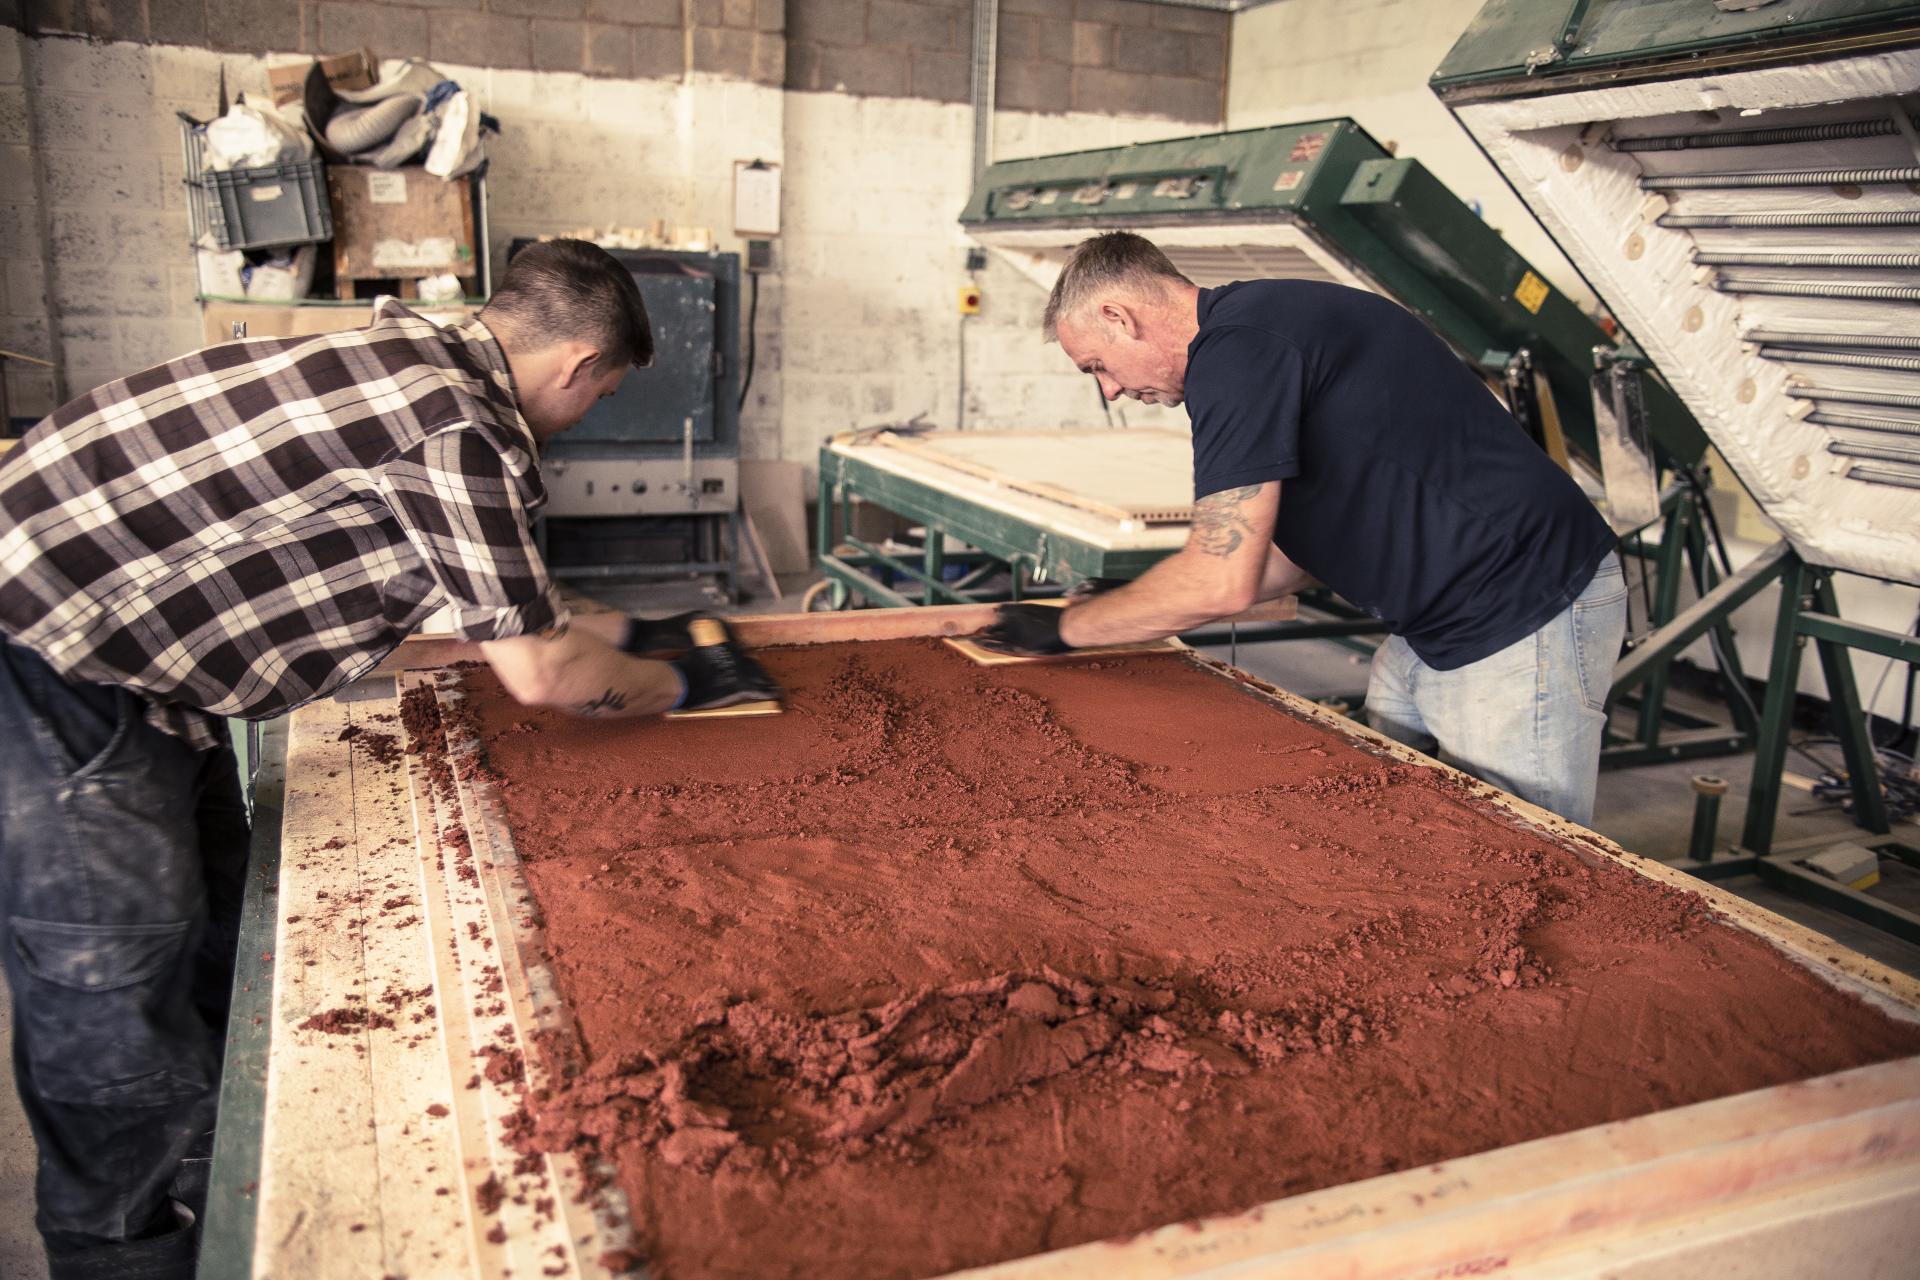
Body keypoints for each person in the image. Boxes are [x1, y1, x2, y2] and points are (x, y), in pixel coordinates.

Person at [0, 238, 777, 1280]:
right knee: (117, 987)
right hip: (46, 650)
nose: (585, 417)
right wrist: (687, 685)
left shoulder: (405, 356)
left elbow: (502, 591)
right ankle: (119, 1254)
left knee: (213, 926)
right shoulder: (457, 424)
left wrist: (645, 635)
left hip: (123, 648)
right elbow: (541, 673)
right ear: (581, 364)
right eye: (598, 395)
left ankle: (211, 1165)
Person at [981, 231, 1626, 826]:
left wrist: (1066, 628)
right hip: (1437, 619)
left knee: (1527, 849)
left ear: (1120, 317)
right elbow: (1287, 558)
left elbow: (1222, 581)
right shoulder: (1258, 329)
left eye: (1096, 365)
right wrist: (1133, 601)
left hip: (1520, 612)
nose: (1111, 392)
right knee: (1389, 800)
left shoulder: (1238, 354)